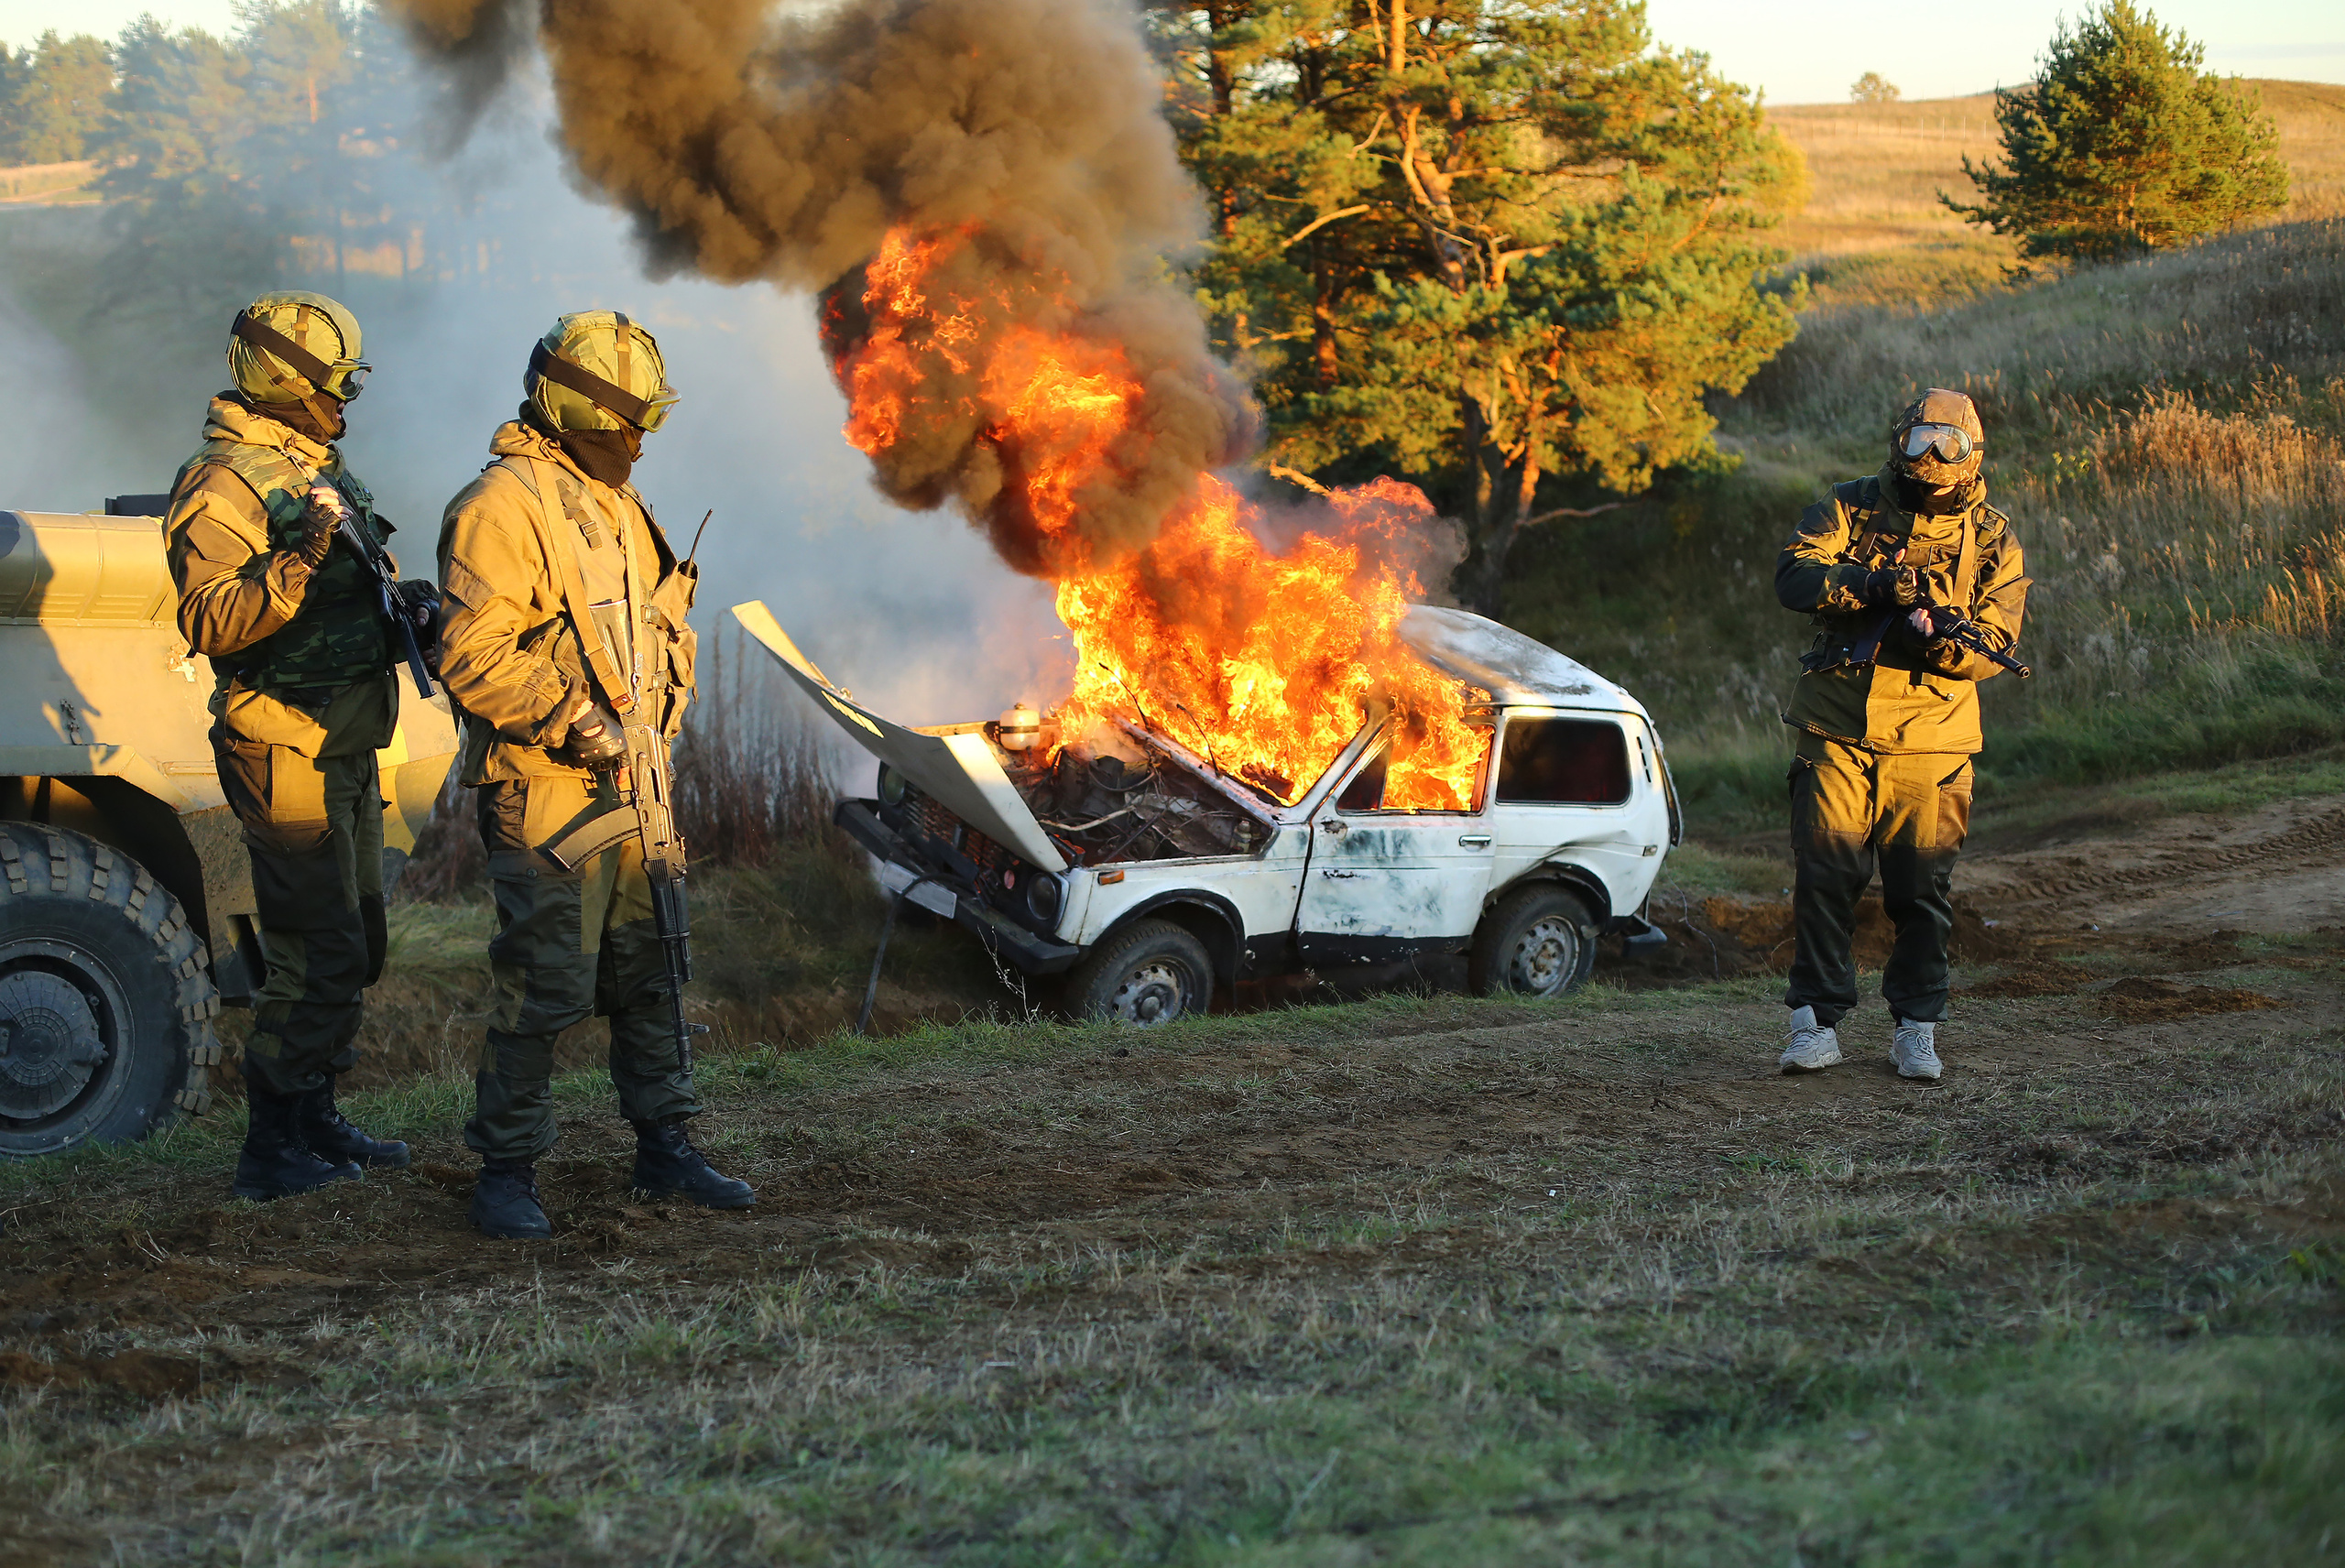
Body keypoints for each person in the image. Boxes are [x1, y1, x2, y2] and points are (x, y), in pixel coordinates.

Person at [434, 310, 752, 1240]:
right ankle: (505, 1172)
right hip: (547, 788)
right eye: (628, 418)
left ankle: (665, 1146)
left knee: (651, 972)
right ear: (578, 407)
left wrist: (650, 730)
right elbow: (471, 654)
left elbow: (651, 631)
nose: (639, 438)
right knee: (543, 984)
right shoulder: (500, 507)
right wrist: (573, 718)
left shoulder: (614, 501)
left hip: (636, 783)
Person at [165, 290, 423, 1200]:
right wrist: (298, 558)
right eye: (334, 382)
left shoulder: (311, 466)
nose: (345, 399)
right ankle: (270, 1147)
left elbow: (351, 591)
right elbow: (210, 619)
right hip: (283, 746)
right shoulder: (221, 484)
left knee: (356, 940)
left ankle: (314, 1113)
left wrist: (407, 606)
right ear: (285, 379)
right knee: (313, 948)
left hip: (344, 737)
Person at [1772, 388, 2029, 1081]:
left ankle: (1917, 1028)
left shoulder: (1994, 538)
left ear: (1974, 454)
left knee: (1921, 890)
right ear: (1899, 441)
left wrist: (1938, 637)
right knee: (1824, 877)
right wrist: (1874, 587)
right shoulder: (1849, 506)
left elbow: (1995, 644)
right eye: (1922, 440)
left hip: (1934, 738)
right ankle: (1815, 1023)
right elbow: (1795, 576)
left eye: (1951, 444)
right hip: (1836, 725)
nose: (1934, 457)